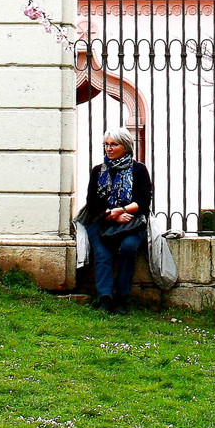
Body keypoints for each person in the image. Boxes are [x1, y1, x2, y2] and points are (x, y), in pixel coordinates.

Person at [78, 126, 152, 314]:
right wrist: (111, 214)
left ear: (126, 147)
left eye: (114, 144)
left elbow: (144, 201)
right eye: (107, 145)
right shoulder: (98, 171)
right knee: (102, 254)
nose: (109, 149)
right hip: (101, 221)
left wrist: (122, 210)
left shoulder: (139, 170)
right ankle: (104, 298)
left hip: (132, 223)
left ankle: (122, 299)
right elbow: (92, 203)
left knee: (128, 248)